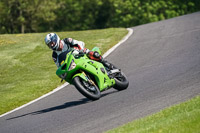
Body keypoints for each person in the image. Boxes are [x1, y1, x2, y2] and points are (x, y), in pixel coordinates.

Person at [44, 33, 112, 69]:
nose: (51, 45)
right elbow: (59, 66)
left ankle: (107, 64)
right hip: (72, 63)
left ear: (56, 39)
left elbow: (78, 43)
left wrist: (80, 50)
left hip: (80, 53)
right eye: (49, 44)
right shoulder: (54, 55)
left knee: (93, 54)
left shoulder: (67, 41)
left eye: (52, 43)